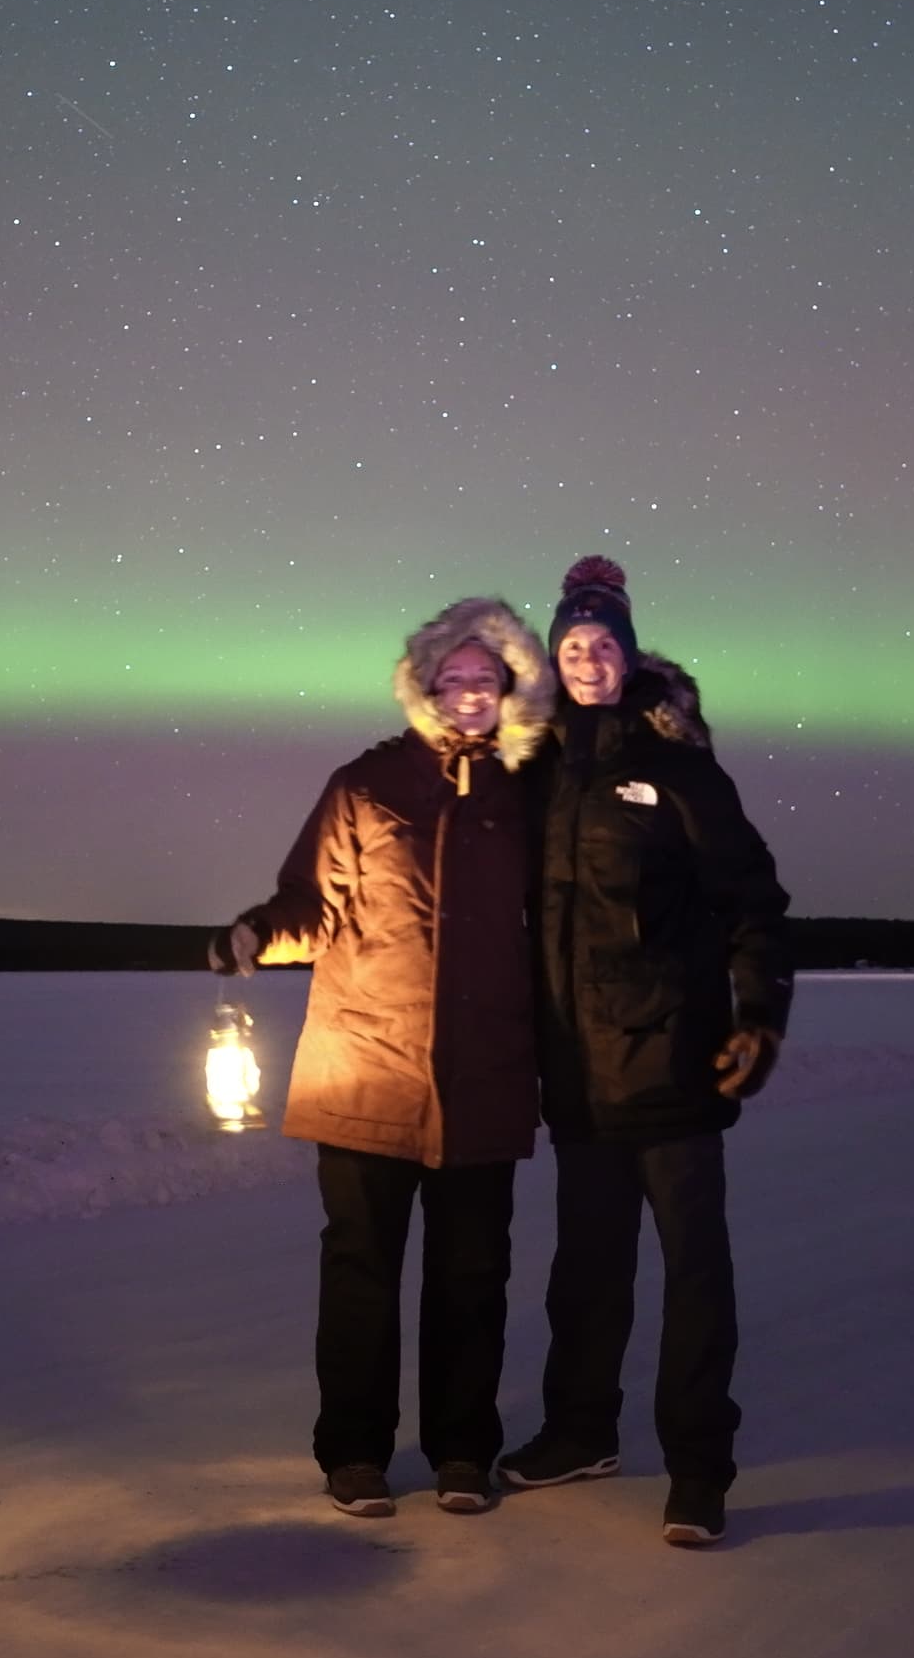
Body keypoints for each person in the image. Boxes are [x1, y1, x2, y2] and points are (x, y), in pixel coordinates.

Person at [215, 598, 556, 1519]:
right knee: (361, 1272)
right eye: (453, 677)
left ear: (511, 688)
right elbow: (312, 904)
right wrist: (257, 935)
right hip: (366, 1067)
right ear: (424, 686)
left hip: (483, 1075)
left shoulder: (530, 793)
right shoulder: (366, 785)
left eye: (487, 678)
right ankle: (355, 1452)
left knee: (471, 1275)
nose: (470, 692)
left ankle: (462, 1450)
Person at [501, 555, 792, 1546]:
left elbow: (753, 901)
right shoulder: (536, 769)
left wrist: (760, 1015)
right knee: (585, 1270)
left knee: (693, 1272)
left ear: (629, 654)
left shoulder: (678, 765)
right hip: (577, 1071)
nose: (588, 659)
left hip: (673, 1061)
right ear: (554, 658)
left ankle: (699, 1468)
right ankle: (581, 1431)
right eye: (573, 645)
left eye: (604, 643)